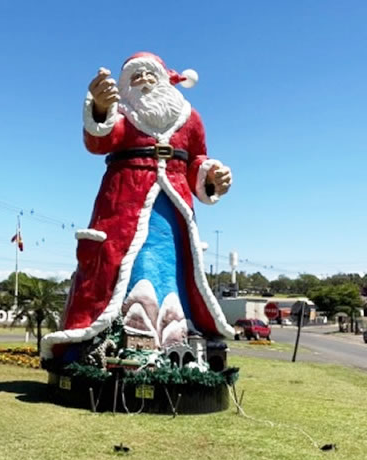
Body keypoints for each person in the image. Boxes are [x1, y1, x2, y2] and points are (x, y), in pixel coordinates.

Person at [41, 52, 234, 361]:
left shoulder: (190, 118)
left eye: (149, 75)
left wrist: (211, 175)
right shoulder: (124, 114)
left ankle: (177, 335)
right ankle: (113, 338)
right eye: (135, 77)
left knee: (177, 265)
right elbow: (99, 141)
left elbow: (197, 157)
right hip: (123, 197)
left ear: (164, 79)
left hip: (174, 203)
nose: (143, 82)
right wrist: (101, 108)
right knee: (118, 264)